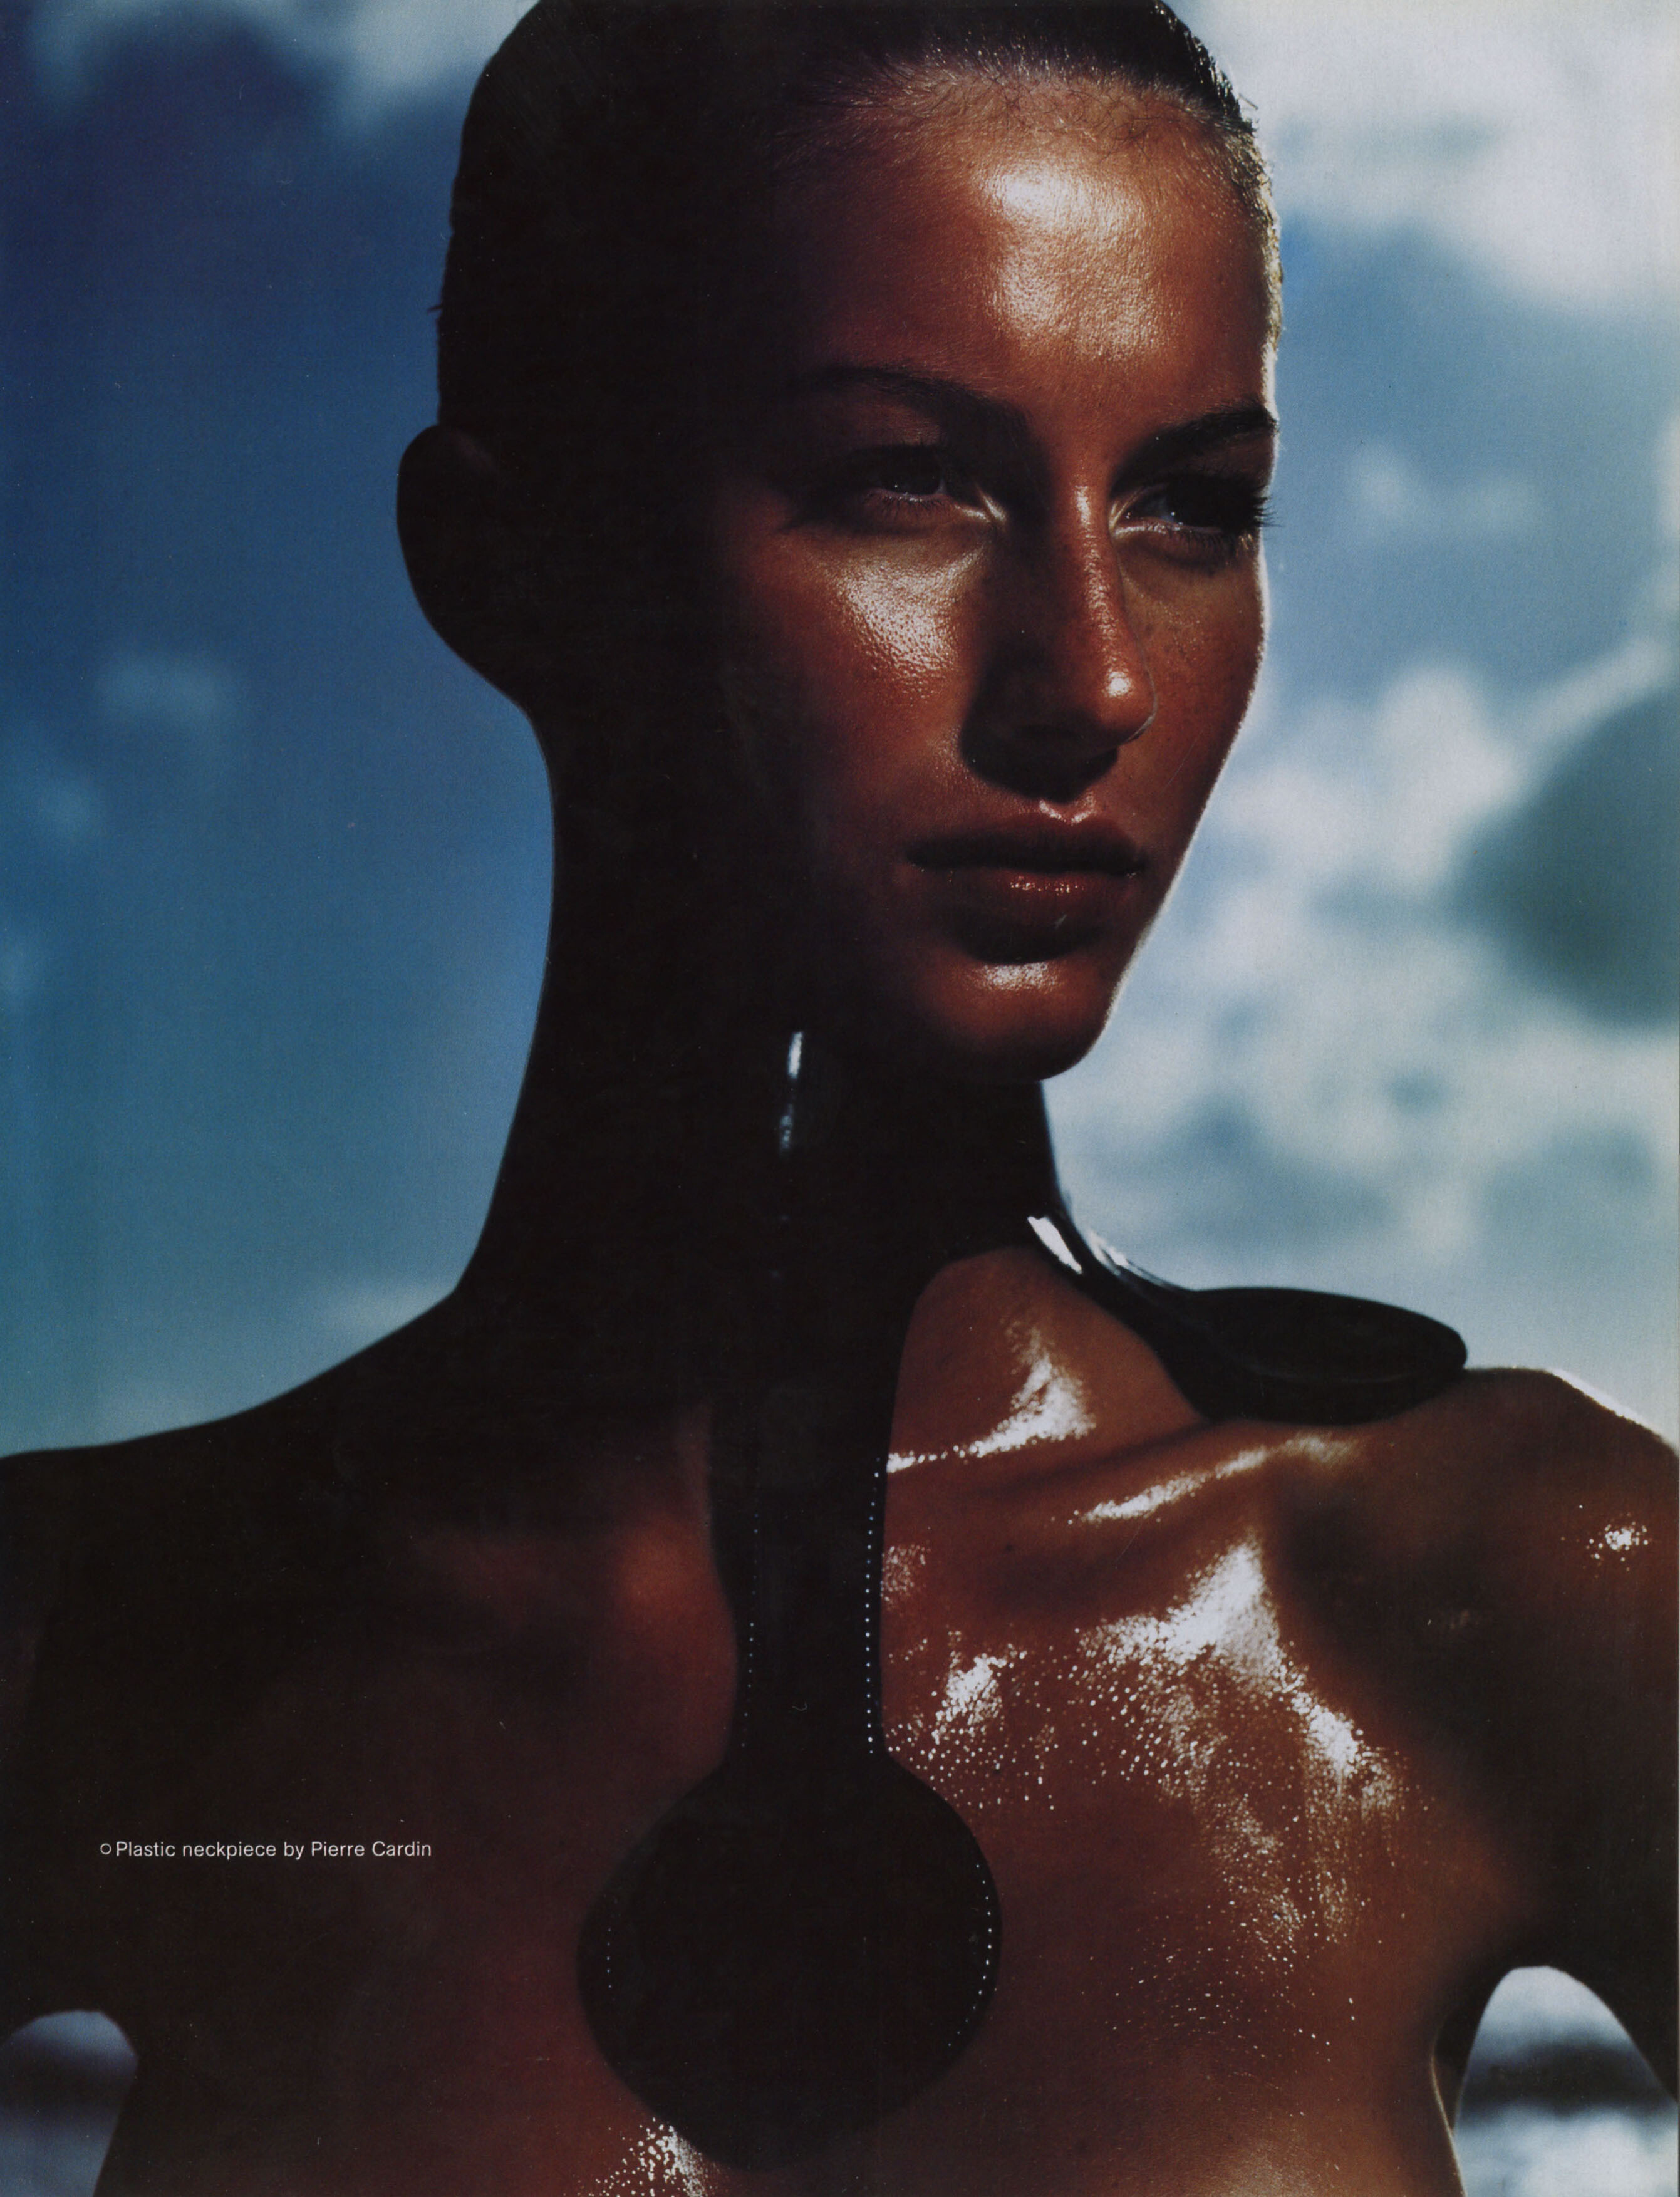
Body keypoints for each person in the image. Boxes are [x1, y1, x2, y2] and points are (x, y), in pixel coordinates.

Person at [1, 3, 1672, 2191]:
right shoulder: (93, 1646)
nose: (1090, 677)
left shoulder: (1512, 1586)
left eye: (1191, 505)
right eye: (906, 480)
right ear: (501, 563)